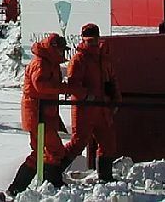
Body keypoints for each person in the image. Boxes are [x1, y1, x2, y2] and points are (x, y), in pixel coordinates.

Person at [7, 33, 80, 194]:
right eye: (61, 50)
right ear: (54, 49)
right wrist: (66, 88)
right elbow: (41, 86)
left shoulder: (49, 62)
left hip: (43, 113)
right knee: (54, 151)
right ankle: (51, 183)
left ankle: (18, 188)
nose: (62, 54)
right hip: (38, 114)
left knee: (39, 153)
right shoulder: (41, 63)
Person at [65, 23, 122, 183]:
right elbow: (73, 85)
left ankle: (105, 177)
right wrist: (86, 96)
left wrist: (116, 99)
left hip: (103, 108)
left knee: (108, 143)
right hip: (85, 109)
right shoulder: (78, 60)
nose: (93, 43)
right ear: (83, 40)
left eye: (94, 40)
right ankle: (54, 171)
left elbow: (112, 80)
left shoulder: (104, 58)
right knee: (78, 142)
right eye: (89, 40)